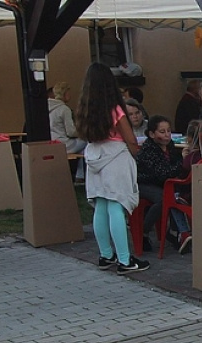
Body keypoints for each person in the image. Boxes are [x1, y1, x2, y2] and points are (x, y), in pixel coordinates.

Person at [75, 62, 149, 274]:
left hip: (94, 156)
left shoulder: (85, 109)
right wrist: (138, 154)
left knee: (101, 206)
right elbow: (130, 139)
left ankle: (106, 255)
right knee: (117, 206)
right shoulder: (115, 109)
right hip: (115, 157)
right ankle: (125, 260)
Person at [134, 115, 183, 251]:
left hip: (161, 182)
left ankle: (174, 230)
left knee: (179, 194)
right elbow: (162, 174)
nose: (167, 135)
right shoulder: (149, 150)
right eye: (162, 132)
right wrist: (182, 162)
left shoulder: (170, 146)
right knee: (163, 199)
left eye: (168, 131)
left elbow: (173, 167)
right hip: (143, 182)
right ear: (152, 134)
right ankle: (143, 232)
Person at [169, 119, 202, 254]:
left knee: (171, 197)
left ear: (188, 138)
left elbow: (181, 176)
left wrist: (182, 159)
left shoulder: (189, 158)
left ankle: (183, 232)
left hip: (189, 195)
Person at [48, 82, 87, 154]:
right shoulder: (64, 109)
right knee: (87, 141)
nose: (70, 95)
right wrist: (83, 133)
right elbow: (71, 132)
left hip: (53, 144)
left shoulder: (48, 108)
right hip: (65, 144)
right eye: (68, 92)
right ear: (64, 94)